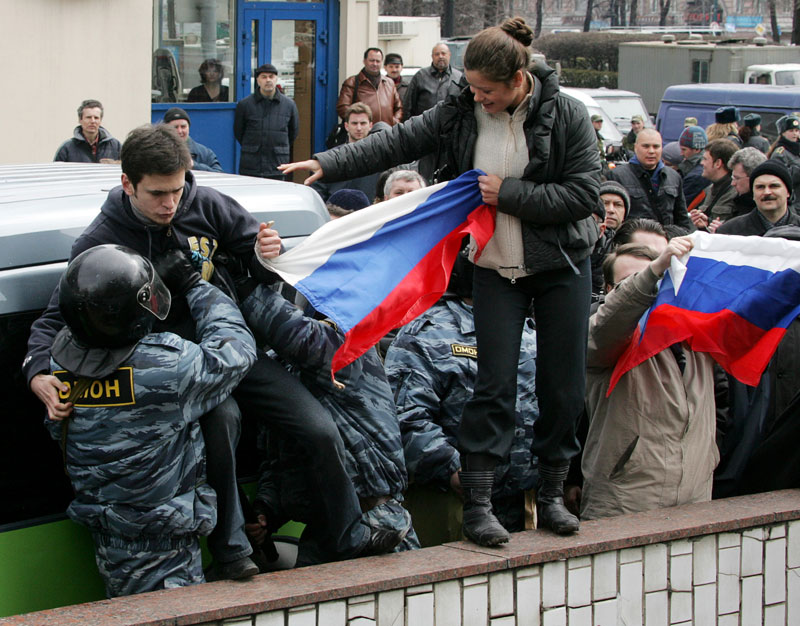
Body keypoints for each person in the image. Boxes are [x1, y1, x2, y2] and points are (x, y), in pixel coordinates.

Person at [276, 16, 602, 544]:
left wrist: (508, 194)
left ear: (519, 80)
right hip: (496, 268)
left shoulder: (566, 115)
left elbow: (585, 194)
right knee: (492, 385)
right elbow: (399, 139)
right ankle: (478, 502)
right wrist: (326, 162)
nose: (477, 98)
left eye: (486, 91)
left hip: (561, 263)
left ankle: (550, 492)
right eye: (471, 88)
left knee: (561, 387)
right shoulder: (462, 106)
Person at [25, 124, 394, 579]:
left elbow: (257, 267)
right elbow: (54, 319)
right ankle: (231, 549)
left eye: (178, 191)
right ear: (127, 184)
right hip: (172, 370)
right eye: (158, 194)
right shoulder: (100, 239)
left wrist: (265, 254)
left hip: (234, 349)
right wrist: (38, 372)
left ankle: (347, 536)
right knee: (223, 421)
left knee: (317, 427)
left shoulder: (207, 203)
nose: (170, 205)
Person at [46, 244, 256, 597]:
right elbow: (237, 349)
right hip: (165, 553)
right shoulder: (164, 367)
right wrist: (194, 285)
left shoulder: (59, 367)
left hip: (109, 541)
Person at [240, 284, 414, 566]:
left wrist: (241, 286)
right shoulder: (281, 374)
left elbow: (299, 335)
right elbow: (276, 464)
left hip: (378, 530)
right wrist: (265, 512)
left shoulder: (348, 346)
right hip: (321, 541)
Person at [384, 255, 538, 544]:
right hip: (452, 500)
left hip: (522, 504)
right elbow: (405, 417)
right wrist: (454, 471)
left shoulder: (527, 329)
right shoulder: (427, 333)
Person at [582, 237, 720, 520]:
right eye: (632, 281)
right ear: (609, 290)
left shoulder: (694, 337)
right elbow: (612, 322)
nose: (650, 290)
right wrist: (652, 271)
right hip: (626, 502)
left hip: (696, 499)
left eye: (658, 281)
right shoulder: (599, 337)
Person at [610, 129, 692, 231]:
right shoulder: (617, 176)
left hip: (666, 241)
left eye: (656, 146)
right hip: (633, 241)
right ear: (635, 148)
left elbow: (682, 219)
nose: (651, 151)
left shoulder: (674, 177)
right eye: (646, 146)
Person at [234, 63, 299, 179]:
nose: (268, 80)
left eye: (271, 76)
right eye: (264, 77)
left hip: (277, 165)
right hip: (251, 166)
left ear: (276, 79)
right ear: (258, 80)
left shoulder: (289, 105)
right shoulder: (245, 105)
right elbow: (239, 132)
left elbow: (293, 133)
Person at [312, 103, 383, 202]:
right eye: (354, 123)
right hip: (337, 214)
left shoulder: (379, 158)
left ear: (370, 126)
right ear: (346, 126)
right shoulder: (331, 157)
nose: (359, 128)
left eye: (363, 123)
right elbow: (317, 193)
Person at [717, 161, 800, 236]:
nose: (767, 192)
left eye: (774, 186)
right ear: (753, 194)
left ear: (788, 192)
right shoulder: (729, 232)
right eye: (760, 187)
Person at [336, 48, 402, 126]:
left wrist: (394, 121)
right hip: (363, 134)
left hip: (385, 133)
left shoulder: (389, 83)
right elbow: (342, 108)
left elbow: (398, 108)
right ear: (364, 61)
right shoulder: (352, 82)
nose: (375, 64)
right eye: (371, 60)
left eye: (378, 61)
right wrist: (359, 124)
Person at [403, 43, 464, 120]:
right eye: (437, 54)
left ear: (449, 55)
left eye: (443, 53)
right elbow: (408, 105)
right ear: (432, 56)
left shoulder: (458, 77)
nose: (440, 56)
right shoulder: (420, 76)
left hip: (450, 127)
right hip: (423, 127)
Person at [689, 138, 738, 231]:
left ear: (718, 163)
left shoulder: (735, 193)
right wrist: (705, 224)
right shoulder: (709, 189)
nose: (701, 163)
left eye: (705, 159)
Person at [54, 99, 121, 164]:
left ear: (100, 121)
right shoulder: (67, 148)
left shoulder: (116, 146)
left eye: (96, 118)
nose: (92, 121)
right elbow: (56, 172)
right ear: (80, 120)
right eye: (88, 117)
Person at [162, 107, 223, 172]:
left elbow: (219, 174)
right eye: (175, 127)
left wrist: (194, 166)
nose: (180, 131)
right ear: (166, 129)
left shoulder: (205, 153)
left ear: (189, 128)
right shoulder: (156, 152)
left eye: (183, 127)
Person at [768, 115, 800, 207]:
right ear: (782, 133)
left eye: (797, 130)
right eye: (791, 131)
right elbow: (781, 176)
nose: (795, 134)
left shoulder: (797, 148)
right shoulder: (780, 153)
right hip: (793, 202)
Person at [727, 147, 766, 219]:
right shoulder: (739, 200)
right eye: (733, 177)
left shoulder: (764, 210)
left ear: (753, 179)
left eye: (737, 178)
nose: (733, 183)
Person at [677, 125, 707, 206]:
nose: (681, 153)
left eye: (684, 149)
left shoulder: (695, 176)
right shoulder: (692, 167)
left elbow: (680, 203)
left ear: (697, 149)